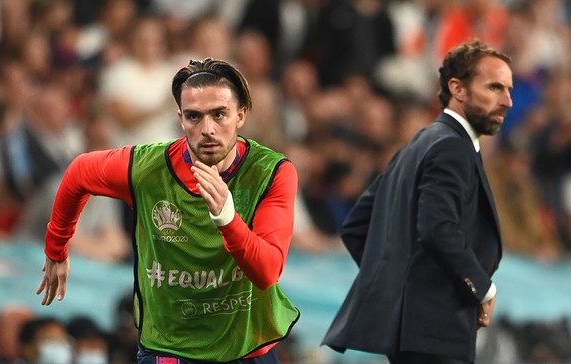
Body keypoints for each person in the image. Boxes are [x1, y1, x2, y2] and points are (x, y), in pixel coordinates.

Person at [35, 57, 300, 363]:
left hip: (248, 347)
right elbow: (79, 172)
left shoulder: (271, 172)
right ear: (180, 118)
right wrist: (56, 249)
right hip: (171, 348)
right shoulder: (146, 168)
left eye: (219, 115)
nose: (207, 129)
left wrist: (228, 219)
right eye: (194, 117)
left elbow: (267, 272)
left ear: (241, 115)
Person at [321, 40, 512, 364]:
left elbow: (357, 226)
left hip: (413, 335)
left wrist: (401, 289)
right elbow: (438, 228)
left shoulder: (420, 143)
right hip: (436, 335)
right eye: (494, 87)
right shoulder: (451, 148)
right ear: (457, 88)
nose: (507, 101)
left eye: (508, 89)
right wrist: (482, 288)